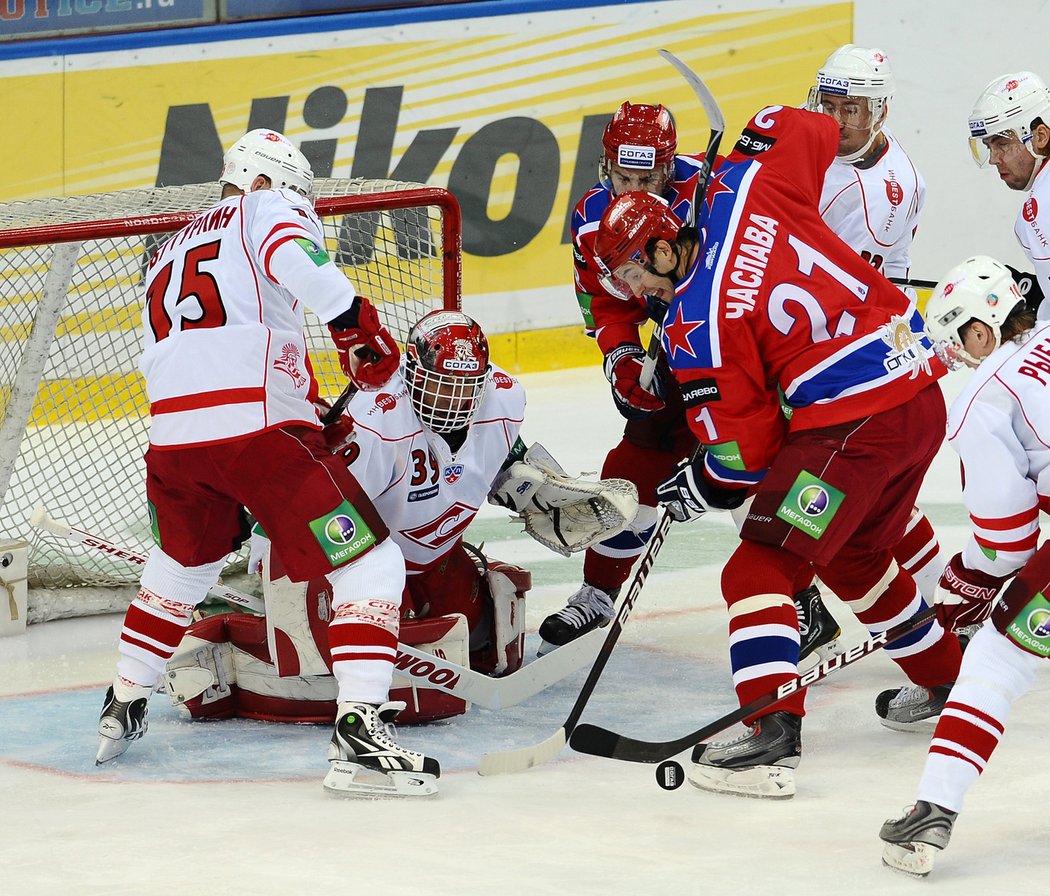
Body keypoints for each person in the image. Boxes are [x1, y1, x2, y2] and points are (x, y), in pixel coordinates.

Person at [591, 103, 965, 800]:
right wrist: (751, 143)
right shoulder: (743, 186)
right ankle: (946, 675)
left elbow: (749, 456)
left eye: (637, 276)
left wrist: (702, 480)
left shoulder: (697, 328)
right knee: (853, 556)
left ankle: (770, 733)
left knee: (758, 567)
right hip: (919, 393)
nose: (637, 293)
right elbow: (804, 126)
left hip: (857, 424)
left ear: (664, 250)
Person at [95, 128, 441, 799]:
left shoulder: (166, 251)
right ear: (262, 182)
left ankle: (121, 700)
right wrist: (354, 323)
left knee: (181, 568)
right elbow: (300, 265)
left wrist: (305, 407)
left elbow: (205, 346)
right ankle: (361, 736)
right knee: (372, 563)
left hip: (173, 440)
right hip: (253, 433)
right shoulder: (261, 208)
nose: (300, 211)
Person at [163, 310, 638, 727]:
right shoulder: (376, 421)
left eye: (465, 387)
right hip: (358, 563)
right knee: (391, 680)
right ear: (413, 371)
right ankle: (230, 642)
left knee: (481, 645)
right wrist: (290, 573)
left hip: (433, 555)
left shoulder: (503, 398)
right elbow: (308, 502)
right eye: (441, 385)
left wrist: (535, 487)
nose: (454, 399)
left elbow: (487, 459)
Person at [543, 100, 843, 667]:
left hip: (742, 357)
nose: (634, 188)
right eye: (623, 176)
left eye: (648, 177)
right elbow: (604, 300)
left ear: (668, 167)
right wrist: (623, 357)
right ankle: (598, 592)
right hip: (677, 352)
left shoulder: (715, 190)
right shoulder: (592, 218)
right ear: (605, 165)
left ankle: (804, 601)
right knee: (631, 469)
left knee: (750, 479)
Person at [879, 256, 1047, 878]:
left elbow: (1008, 545)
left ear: (983, 329)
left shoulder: (986, 393)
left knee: (998, 657)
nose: (961, 354)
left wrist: (963, 585)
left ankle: (932, 813)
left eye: (960, 336)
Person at [807, 45, 948, 609]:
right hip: (797, 335)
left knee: (846, 492)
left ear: (879, 111)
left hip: (838, 351)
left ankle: (943, 595)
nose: (839, 120)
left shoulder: (905, 180)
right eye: (831, 104)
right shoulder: (800, 154)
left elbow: (893, 273)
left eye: (854, 109)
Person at [967, 71, 1050, 317]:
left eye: (1002, 144)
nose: (993, 159)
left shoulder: (1038, 209)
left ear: (1040, 136)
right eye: (988, 147)